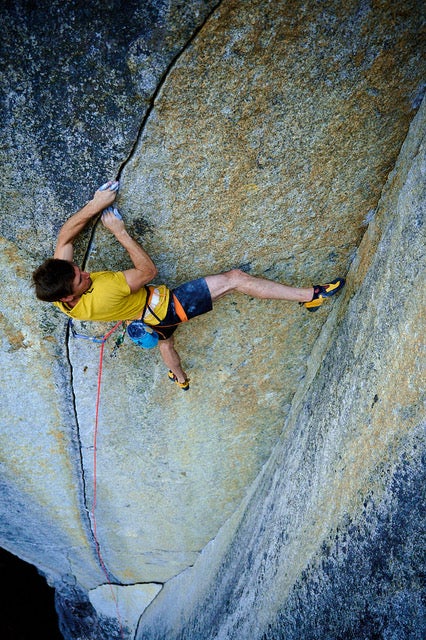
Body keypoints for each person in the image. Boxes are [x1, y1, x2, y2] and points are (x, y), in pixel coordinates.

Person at [33, 181, 345, 390]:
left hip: (144, 321)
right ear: (71, 293)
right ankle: (311, 296)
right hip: (167, 306)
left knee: (167, 343)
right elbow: (147, 270)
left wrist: (94, 204)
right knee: (235, 279)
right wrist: (120, 232)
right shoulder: (104, 291)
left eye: (76, 268)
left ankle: (180, 378)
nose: (83, 272)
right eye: (79, 278)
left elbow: (66, 238)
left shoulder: (61, 297)